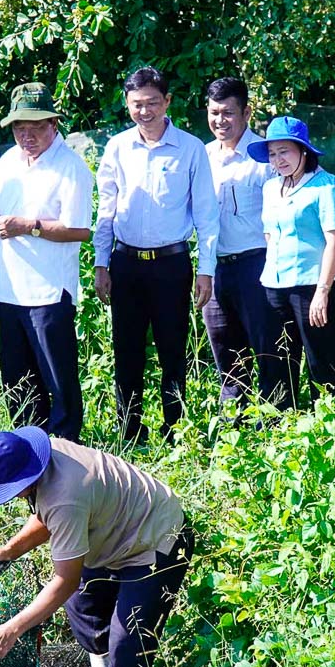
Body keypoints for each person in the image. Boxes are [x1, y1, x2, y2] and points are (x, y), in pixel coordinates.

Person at [0, 426, 194, 667]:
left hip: (156, 538)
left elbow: (64, 580)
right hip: (108, 534)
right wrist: (10, 549)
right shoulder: (40, 461)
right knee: (83, 611)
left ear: (27, 476)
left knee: (128, 639)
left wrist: (12, 629)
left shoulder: (67, 492)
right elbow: (48, 514)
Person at [93, 66, 220, 444]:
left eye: (152, 103)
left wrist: (205, 270)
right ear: (127, 104)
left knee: (172, 349)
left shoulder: (191, 149)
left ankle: (174, 430)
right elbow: (107, 209)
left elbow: (207, 216)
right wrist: (102, 263)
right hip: (126, 263)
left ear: (167, 102)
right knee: (127, 352)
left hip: (171, 264)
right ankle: (129, 431)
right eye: (136, 104)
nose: (144, 111)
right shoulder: (117, 147)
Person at [0, 83, 95, 441]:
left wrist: (30, 226)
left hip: (47, 291)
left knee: (57, 379)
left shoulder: (71, 167)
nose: (26, 136)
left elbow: (80, 230)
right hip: (9, 288)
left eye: (35, 127)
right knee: (16, 378)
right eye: (19, 128)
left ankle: (65, 450)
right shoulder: (10, 160)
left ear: (54, 125)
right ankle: (31, 448)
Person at [247, 116, 335, 409]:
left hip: (312, 289)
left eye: (285, 151)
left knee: (322, 362)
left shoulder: (326, 186)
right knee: (276, 362)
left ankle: (332, 426)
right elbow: (270, 234)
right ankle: (277, 426)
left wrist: (322, 291)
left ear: (304, 151)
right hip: (273, 287)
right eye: (273, 154)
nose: (278, 160)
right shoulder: (270, 187)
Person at [202, 77, 275, 405]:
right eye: (214, 112)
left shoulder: (265, 156)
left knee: (268, 348)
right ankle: (236, 425)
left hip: (256, 264)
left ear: (246, 112)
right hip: (216, 268)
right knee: (224, 350)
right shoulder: (201, 157)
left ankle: (277, 422)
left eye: (228, 113)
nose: (221, 120)